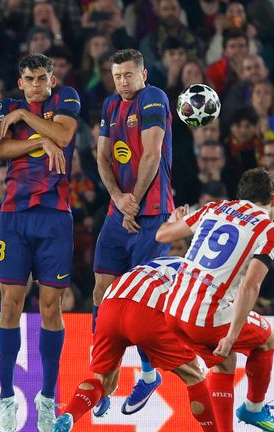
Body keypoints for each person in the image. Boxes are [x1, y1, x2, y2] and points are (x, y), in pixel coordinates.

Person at [156, 167, 274, 432]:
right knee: (268, 338)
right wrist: (231, 336)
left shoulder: (214, 208)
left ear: (241, 196)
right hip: (207, 319)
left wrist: (175, 219)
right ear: (273, 200)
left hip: (172, 312)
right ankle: (254, 409)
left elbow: (163, 235)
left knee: (225, 363)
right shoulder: (270, 230)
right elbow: (250, 286)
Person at [0, 53, 79, 432]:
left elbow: (63, 135)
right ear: (20, 81)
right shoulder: (4, 106)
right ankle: (7, 396)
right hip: (14, 215)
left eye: (43, 78)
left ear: (52, 80)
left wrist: (29, 124)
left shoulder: (67, 98)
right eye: (30, 79)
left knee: (51, 307)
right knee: (10, 304)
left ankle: (46, 397)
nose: (37, 84)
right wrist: (42, 139)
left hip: (56, 216)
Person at [91, 48, 174, 415]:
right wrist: (118, 198)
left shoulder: (154, 98)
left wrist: (134, 201)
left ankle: (147, 374)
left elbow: (153, 155)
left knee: (139, 301)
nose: (122, 81)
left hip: (152, 214)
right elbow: (102, 157)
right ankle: (102, 379)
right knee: (101, 291)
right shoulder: (110, 105)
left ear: (143, 75)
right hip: (118, 211)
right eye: (117, 75)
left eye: (128, 75)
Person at [52, 256, 219, 432]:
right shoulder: (204, 275)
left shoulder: (163, 260)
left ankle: (69, 414)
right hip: (145, 313)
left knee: (104, 383)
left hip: (109, 306)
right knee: (195, 375)